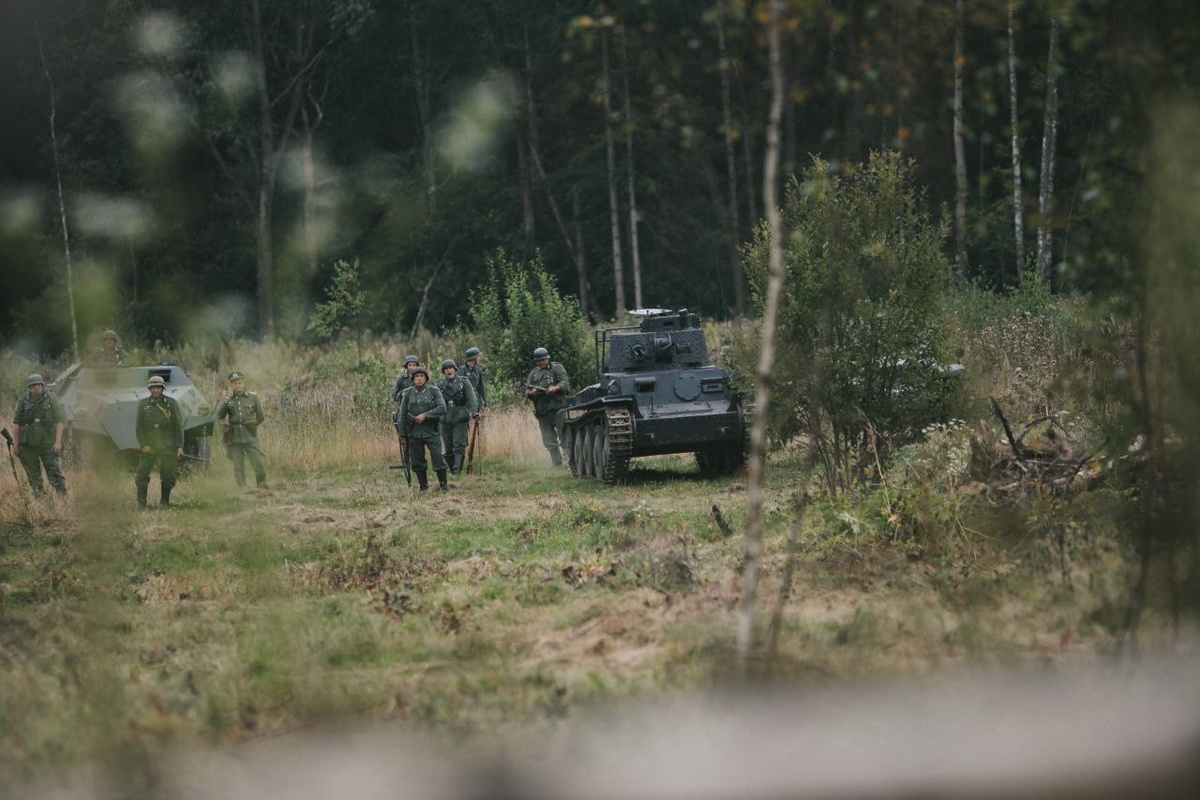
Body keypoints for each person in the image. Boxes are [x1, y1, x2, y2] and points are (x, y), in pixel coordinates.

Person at [11, 373, 67, 496]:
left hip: (48, 444)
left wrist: (58, 442)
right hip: (29, 445)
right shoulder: (23, 401)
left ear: (42, 385)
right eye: (33, 385)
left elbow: (60, 421)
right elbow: (16, 424)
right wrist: (16, 444)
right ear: (29, 387)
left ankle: (62, 498)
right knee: (33, 475)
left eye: (38, 385)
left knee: (54, 472)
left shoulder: (51, 399)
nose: (36, 387)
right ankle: (40, 500)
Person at [135, 375, 184, 508]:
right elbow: (139, 428)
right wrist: (143, 444)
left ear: (162, 389)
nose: (156, 390)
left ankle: (164, 502)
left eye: (158, 387)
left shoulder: (171, 403)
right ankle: (141, 504)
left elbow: (178, 426)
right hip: (149, 445)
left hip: (167, 444)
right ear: (149, 389)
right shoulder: (143, 404)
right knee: (141, 476)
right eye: (153, 387)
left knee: (168, 476)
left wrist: (179, 445)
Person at [397, 366, 449, 491]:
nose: (419, 379)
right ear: (413, 379)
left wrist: (426, 415)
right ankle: (423, 486)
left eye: (422, 376)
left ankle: (443, 485)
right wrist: (402, 435)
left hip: (431, 430)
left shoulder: (434, 391)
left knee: (438, 458)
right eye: (416, 377)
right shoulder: (408, 393)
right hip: (414, 432)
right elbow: (402, 415)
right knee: (417, 460)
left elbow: (442, 408)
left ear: (426, 378)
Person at [216, 370, 268, 489]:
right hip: (234, 437)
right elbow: (220, 416)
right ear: (231, 385)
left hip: (250, 435)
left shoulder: (253, 397)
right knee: (238, 465)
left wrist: (253, 425)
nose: (237, 386)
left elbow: (261, 416)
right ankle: (242, 487)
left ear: (244, 383)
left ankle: (262, 484)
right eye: (234, 384)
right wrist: (225, 402)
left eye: (239, 383)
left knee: (257, 461)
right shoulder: (230, 399)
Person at [525, 347, 570, 466]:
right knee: (549, 439)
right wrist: (532, 393)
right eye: (539, 361)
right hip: (542, 411)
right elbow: (527, 391)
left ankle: (570, 461)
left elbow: (564, 382)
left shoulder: (556, 368)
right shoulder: (534, 373)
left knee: (564, 435)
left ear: (548, 358)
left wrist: (555, 388)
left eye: (543, 360)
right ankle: (557, 463)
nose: (541, 362)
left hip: (557, 408)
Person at [436, 359, 479, 476]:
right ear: (443, 371)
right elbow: (434, 402)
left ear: (455, 370)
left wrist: (474, 412)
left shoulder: (464, 382)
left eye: (451, 368)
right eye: (446, 369)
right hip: (444, 418)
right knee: (448, 447)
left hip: (460, 417)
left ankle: (457, 470)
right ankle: (452, 469)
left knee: (459, 445)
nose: (449, 370)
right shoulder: (439, 385)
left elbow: (472, 399)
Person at [391, 355, 421, 450]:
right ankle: (407, 461)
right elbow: (395, 396)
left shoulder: (421, 378)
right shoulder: (401, 380)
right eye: (410, 365)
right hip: (405, 410)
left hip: (418, 410)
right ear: (407, 366)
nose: (412, 367)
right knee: (404, 437)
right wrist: (402, 393)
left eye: (414, 365)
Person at [462, 346, 487, 411]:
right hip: (467, 402)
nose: (480, 358)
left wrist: (485, 402)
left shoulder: (478, 369)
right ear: (473, 359)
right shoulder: (462, 370)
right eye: (478, 357)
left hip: (478, 401)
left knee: (480, 420)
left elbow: (481, 387)